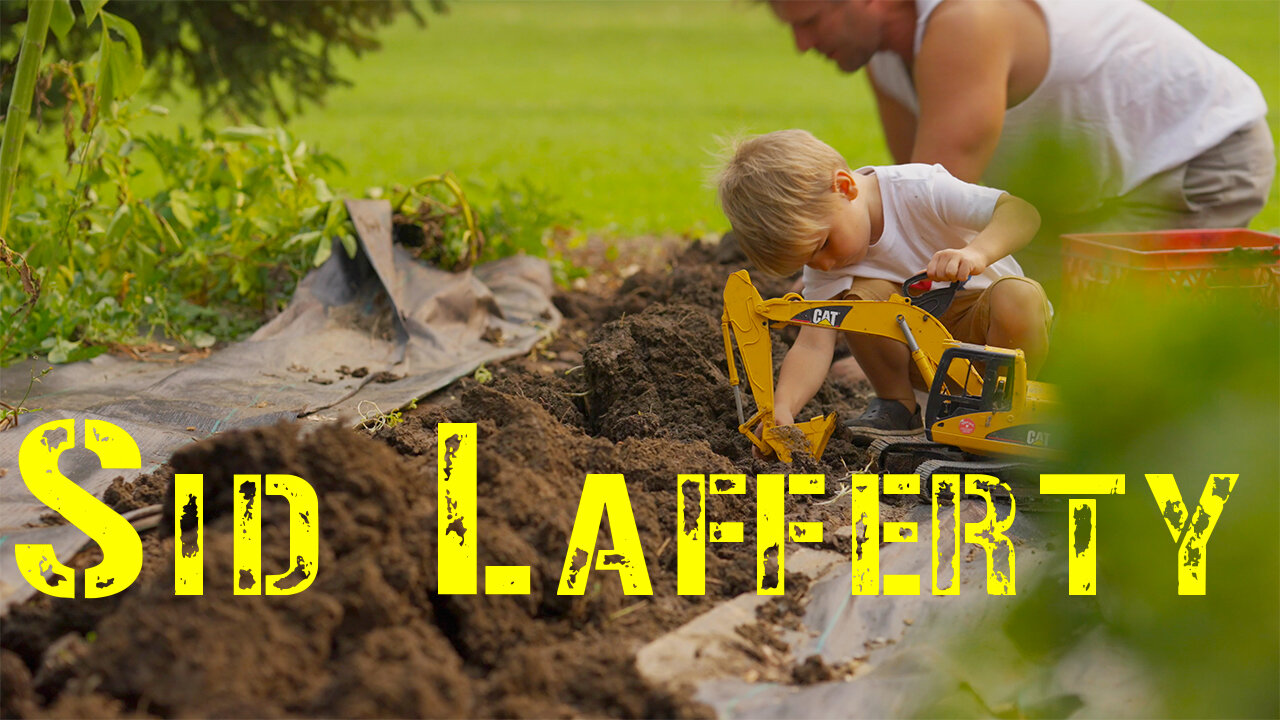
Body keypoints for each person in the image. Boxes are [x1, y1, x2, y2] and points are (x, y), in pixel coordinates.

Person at [768, 0, 1274, 298]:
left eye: (810, 20)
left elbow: (936, 214)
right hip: (1080, 197)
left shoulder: (966, 21)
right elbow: (916, 202)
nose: (800, 44)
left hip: (1195, 159)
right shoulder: (886, 61)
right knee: (1015, 301)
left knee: (1076, 339)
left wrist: (893, 340)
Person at [717, 129, 1049, 436]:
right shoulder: (827, 262)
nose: (825, 264)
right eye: (807, 261)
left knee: (1017, 296)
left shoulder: (919, 189)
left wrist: (977, 253)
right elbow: (813, 344)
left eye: (823, 245)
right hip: (924, 360)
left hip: (993, 336)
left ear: (844, 187)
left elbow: (1021, 212)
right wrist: (784, 408)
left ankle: (1006, 409)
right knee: (859, 300)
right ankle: (898, 406)